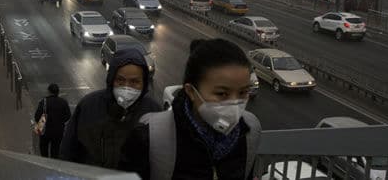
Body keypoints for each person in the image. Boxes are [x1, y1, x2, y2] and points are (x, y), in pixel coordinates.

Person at [119, 39, 261, 180]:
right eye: (222, 94)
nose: (234, 104)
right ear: (191, 91)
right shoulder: (149, 139)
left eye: (243, 93)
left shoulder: (249, 131)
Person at [60, 48, 161, 168]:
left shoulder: (153, 112)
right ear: (111, 79)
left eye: (134, 82)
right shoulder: (89, 106)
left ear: (143, 83)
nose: (126, 87)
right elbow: (68, 152)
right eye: (120, 80)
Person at [34, 83, 71, 159]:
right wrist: (60, 121)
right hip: (58, 131)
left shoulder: (44, 102)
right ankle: (53, 165)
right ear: (58, 92)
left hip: (45, 131)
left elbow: (37, 116)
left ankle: (45, 163)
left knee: (44, 149)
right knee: (55, 149)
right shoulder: (63, 102)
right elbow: (68, 116)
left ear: (49, 91)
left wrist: (43, 122)